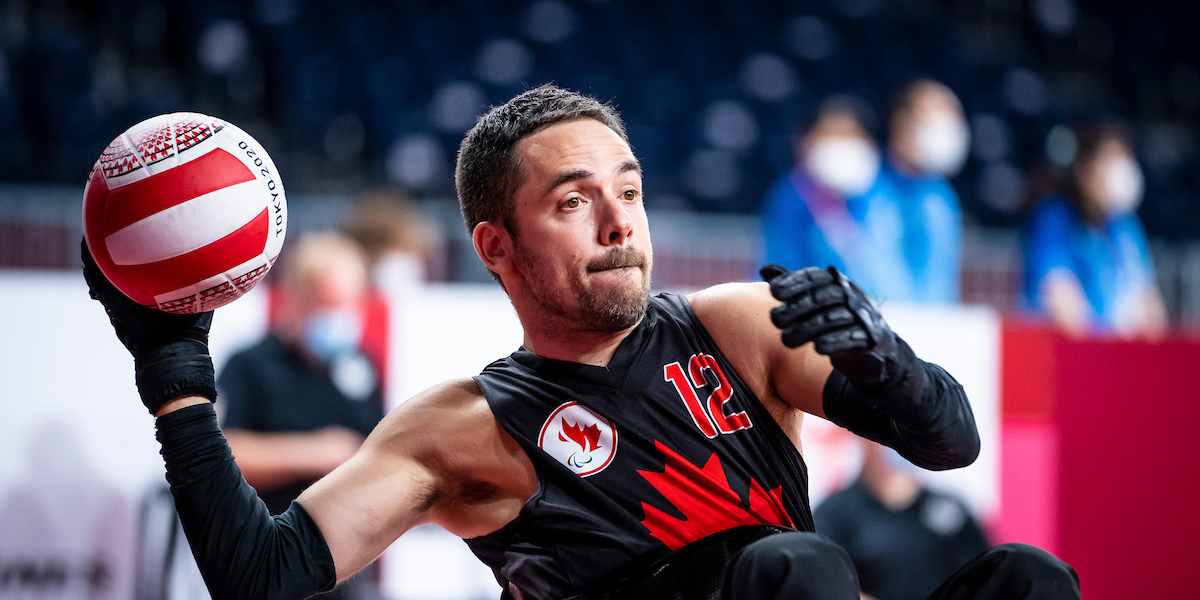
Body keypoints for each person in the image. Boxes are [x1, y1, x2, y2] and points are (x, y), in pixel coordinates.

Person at [83, 85, 1080, 600]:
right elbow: (262, 578)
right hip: (799, 581)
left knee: (1029, 576)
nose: (620, 223)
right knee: (800, 570)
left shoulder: (732, 324)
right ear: (497, 246)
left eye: (631, 192)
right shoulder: (459, 429)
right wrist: (176, 382)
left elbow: (950, 443)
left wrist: (891, 366)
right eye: (576, 201)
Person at [217, 232, 384, 599]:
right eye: (327, 303)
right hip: (265, 555)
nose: (339, 316)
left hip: (342, 566)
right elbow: (223, 460)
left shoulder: (361, 367)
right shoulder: (249, 366)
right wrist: (318, 452)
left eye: (349, 303)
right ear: (295, 298)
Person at [761, 95, 915, 302]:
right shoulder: (793, 194)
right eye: (831, 135)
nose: (842, 145)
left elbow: (888, 272)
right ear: (807, 142)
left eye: (851, 135)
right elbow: (777, 264)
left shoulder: (881, 196)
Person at [1023, 122, 1167, 338]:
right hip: (1070, 356)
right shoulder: (1055, 219)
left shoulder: (1126, 227)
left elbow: (1150, 306)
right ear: (1084, 170)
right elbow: (1061, 300)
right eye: (1111, 160)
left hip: (1120, 357)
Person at [815, 441, 989, 600]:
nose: (896, 439)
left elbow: (983, 578)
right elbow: (820, 583)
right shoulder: (835, 513)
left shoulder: (950, 509)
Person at [878, 80, 970, 304]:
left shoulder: (942, 196)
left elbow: (942, 278)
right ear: (902, 122)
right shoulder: (866, 188)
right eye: (934, 119)